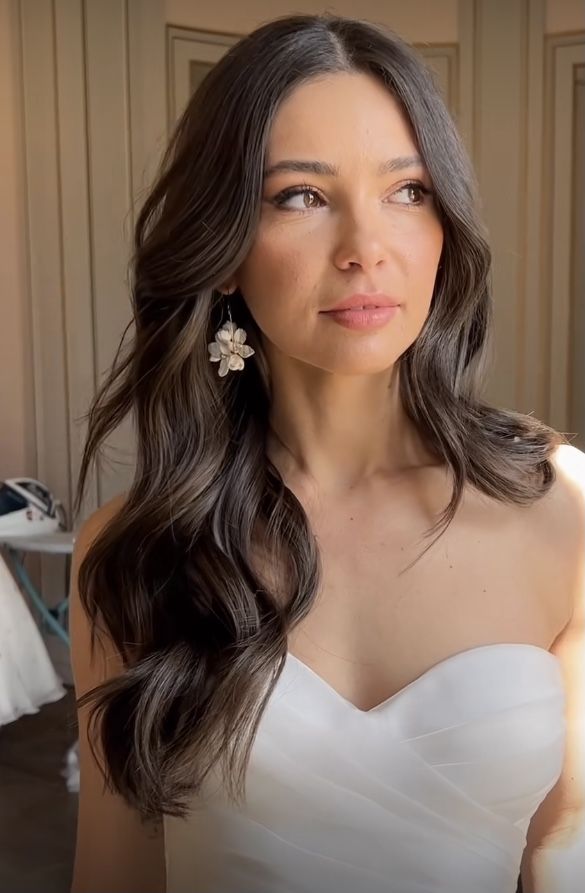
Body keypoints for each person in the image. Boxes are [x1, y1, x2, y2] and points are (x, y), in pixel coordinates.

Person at [68, 13, 585, 893]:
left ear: (445, 225)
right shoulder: (136, 550)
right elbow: (113, 876)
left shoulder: (560, 505)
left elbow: (562, 843)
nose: (364, 250)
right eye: (299, 196)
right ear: (224, 249)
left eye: (408, 191)